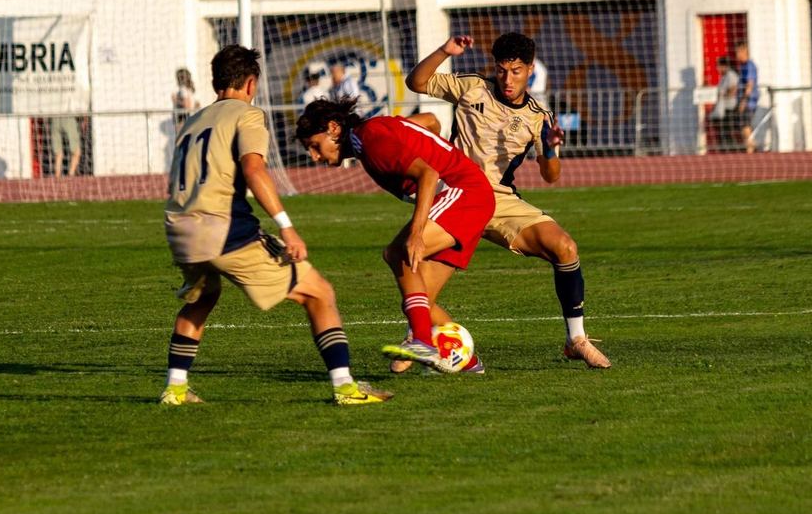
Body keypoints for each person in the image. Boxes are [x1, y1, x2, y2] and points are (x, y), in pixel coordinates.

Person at [161, 45, 389, 407]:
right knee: (319, 293)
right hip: (224, 229)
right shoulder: (247, 115)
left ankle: (174, 389)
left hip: (179, 228)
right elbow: (254, 170)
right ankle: (346, 387)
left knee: (202, 297)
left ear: (215, 80)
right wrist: (286, 226)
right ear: (251, 83)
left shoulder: (193, 120)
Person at [403, 32, 612, 369]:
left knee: (565, 247)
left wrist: (553, 147)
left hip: (498, 200)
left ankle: (576, 339)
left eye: (515, 71)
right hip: (457, 195)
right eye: (501, 70)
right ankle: (423, 340)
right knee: (414, 278)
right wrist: (445, 51)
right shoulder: (472, 87)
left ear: (530, 69)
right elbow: (417, 81)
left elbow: (551, 175)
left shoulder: (538, 116)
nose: (507, 79)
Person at [297, 98, 495, 374]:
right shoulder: (374, 132)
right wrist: (427, 144)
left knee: (397, 252)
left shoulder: (370, 139)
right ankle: (467, 363)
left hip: (464, 194)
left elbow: (428, 173)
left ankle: (422, 342)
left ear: (333, 128)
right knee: (420, 300)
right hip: (470, 198)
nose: (315, 157)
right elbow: (429, 121)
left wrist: (416, 233)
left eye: (314, 146)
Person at [734, 42, 760, 153]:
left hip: (749, 102)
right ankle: (752, 144)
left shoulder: (749, 65)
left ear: (745, 52)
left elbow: (750, 83)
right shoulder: (743, 66)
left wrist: (744, 101)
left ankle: (751, 146)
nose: (737, 55)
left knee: (745, 124)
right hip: (744, 100)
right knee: (745, 124)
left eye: (738, 52)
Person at [712, 55, 738, 152]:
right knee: (723, 131)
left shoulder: (730, 75)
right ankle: (725, 151)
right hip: (723, 108)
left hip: (729, 108)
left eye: (718, 66)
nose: (717, 69)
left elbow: (733, 91)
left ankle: (731, 151)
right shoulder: (725, 76)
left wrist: (722, 95)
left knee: (726, 131)